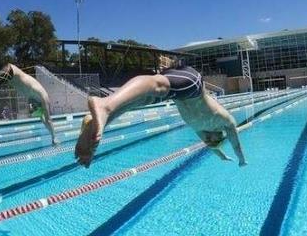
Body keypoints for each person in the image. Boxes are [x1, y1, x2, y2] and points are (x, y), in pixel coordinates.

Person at [75, 65, 247, 167]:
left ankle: (95, 124)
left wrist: (223, 156)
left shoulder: (201, 131)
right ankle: (104, 105)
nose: (208, 141)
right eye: (213, 140)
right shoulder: (223, 120)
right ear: (219, 134)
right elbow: (235, 142)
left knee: (138, 100)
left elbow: (215, 147)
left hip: (177, 94)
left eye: (209, 142)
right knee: (157, 85)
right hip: (193, 84)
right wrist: (241, 159)